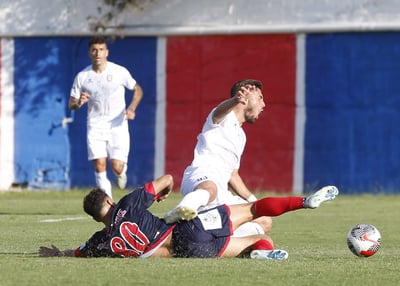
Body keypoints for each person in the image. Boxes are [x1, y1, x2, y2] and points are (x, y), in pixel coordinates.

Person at [39, 175, 339, 260]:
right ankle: (304, 201)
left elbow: (76, 252)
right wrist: (163, 192)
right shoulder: (127, 205)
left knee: (262, 239)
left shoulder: (100, 242)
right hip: (184, 229)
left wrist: (57, 253)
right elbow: (166, 178)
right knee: (254, 210)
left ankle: (259, 254)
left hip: (190, 253)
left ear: (95, 218)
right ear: (108, 200)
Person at [163, 79, 270, 237]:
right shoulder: (223, 117)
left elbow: (233, 176)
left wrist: (254, 201)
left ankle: (209, 235)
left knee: (264, 219)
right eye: (260, 97)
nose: (264, 104)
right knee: (210, 189)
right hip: (201, 178)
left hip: (222, 194)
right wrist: (235, 100)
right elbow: (219, 112)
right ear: (245, 98)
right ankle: (177, 214)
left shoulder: (241, 136)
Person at [69, 36, 144, 198]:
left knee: (116, 166)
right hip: (95, 125)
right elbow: (72, 103)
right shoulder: (83, 76)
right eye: (94, 50)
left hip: (118, 125)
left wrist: (131, 108)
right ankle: (109, 205)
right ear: (89, 52)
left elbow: (137, 89)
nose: (98, 53)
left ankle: (121, 172)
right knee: (100, 164)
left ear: (107, 52)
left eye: (101, 49)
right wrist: (79, 103)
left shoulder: (119, 71)